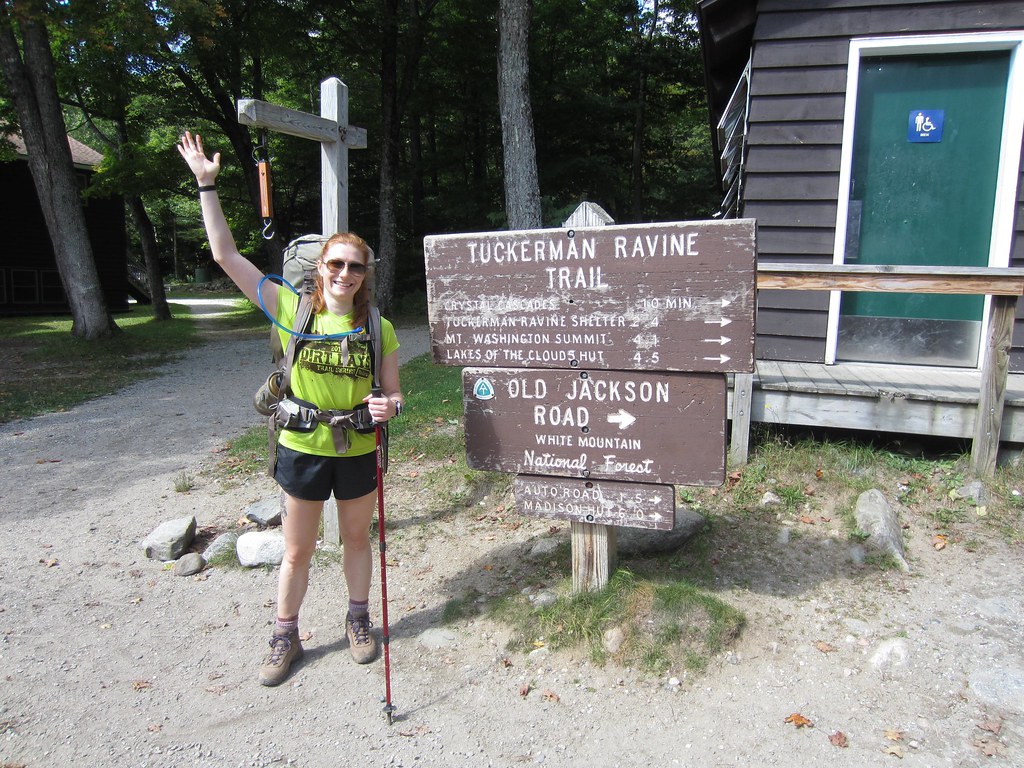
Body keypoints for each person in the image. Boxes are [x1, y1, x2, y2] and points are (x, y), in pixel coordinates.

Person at [177, 131, 403, 686]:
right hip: (301, 446)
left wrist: (388, 408)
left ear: (364, 274)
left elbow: (396, 394)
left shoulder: (379, 328)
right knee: (298, 550)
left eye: (355, 267)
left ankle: (356, 620)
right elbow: (226, 255)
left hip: (356, 448)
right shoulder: (288, 308)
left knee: (356, 540)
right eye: (336, 265)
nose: (345, 274)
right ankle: (285, 634)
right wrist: (208, 185)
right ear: (320, 268)